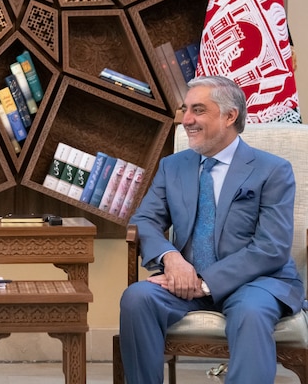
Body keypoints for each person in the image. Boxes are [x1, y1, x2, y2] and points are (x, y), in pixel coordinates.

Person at [119, 75, 304, 384]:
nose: (186, 120)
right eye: (186, 109)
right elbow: (145, 221)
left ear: (230, 116)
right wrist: (172, 259)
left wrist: (206, 282)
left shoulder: (272, 170)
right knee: (138, 298)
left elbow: (271, 247)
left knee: (251, 313)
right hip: (183, 282)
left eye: (198, 110)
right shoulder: (173, 166)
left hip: (256, 282)